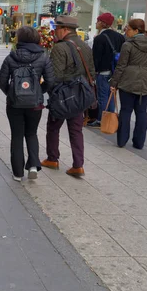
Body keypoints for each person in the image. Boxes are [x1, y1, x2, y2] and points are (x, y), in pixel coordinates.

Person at [0, 27, 55, 181]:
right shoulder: (43, 57)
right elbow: (50, 81)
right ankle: (33, 166)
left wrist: (12, 93)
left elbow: (2, 81)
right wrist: (38, 92)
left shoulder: (11, 57)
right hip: (35, 105)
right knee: (31, 133)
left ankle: (17, 173)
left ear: (19, 39)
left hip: (14, 104)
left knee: (17, 136)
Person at [42, 16, 95, 177]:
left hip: (63, 96)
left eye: (56, 28)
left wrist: (49, 92)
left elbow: (55, 75)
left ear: (65, 29)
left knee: (53, 127)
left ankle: (52, 158)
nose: (54, 32)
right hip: (79, 95)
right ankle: (78, 165)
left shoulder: (60, 48)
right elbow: (91, 72)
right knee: (76, 130)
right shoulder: (85, 46)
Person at [110, 19, 147, 149]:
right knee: (142, 111)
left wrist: (114, 83)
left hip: (127, 82)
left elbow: (121, 66)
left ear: (136, 30)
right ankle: (139, 143)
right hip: (146, 84)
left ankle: (122, 140)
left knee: (126, 111)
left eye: (128, 29)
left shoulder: (128, 45)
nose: (126, 31)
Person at [88, 13, 125, 128]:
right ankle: (110, 119)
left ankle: (101, 120)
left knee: (102, 97)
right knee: (111, 96)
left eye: (98, 21)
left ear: (103, 23)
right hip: (115, 72)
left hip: (103, 72)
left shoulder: (99, 38)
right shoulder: (120, 37)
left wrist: (93, 73)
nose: (96, 23)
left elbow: (96, 58)